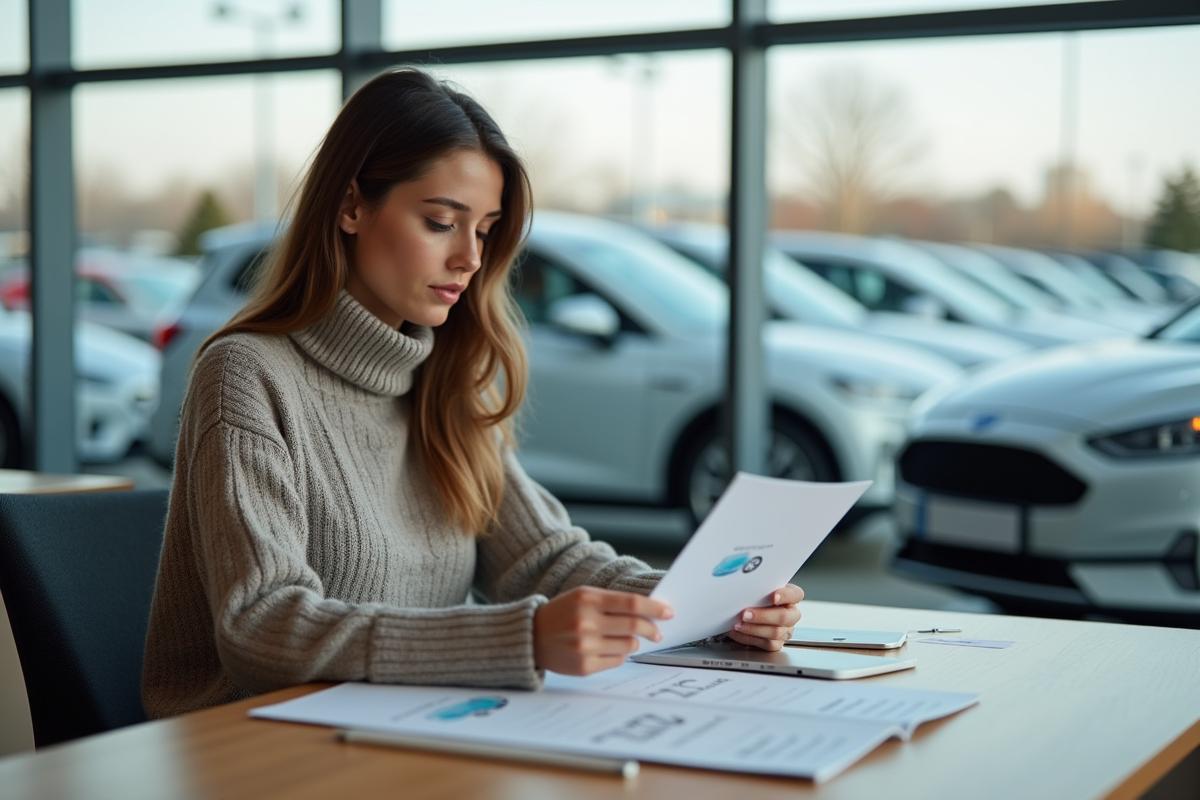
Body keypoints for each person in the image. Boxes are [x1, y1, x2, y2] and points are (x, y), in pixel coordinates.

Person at [142, 68, 803, 719]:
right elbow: (262, 626)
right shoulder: (247, 374)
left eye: (484, 230)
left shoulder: (444, 377)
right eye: (440, 222)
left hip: (404, 729)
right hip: (253, 745)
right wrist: (522, 639)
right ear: (350, 207)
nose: (470, 258)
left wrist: (707, 606)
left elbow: (545, 560)